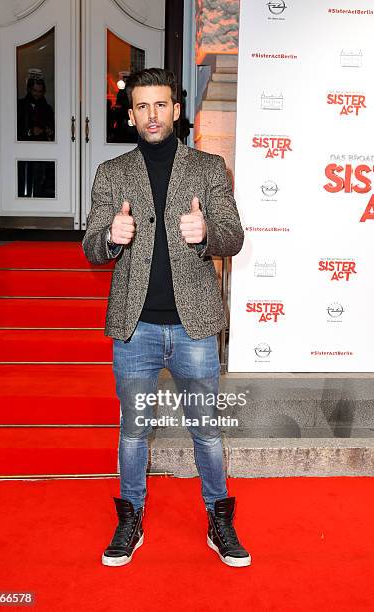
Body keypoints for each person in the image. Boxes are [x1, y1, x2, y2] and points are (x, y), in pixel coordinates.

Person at [82, 68, 250, 568]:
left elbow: (234, 237)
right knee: (133, 430)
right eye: (141, 107)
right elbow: (91, 247)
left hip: (194, 327)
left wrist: (207, 234)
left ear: (176, 110)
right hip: (135, 329)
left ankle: (219, 519)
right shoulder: (112, 173)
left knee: (207, 430)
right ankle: (129, 517)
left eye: (161, 106)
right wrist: (112, 235)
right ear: (130, 114)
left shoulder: (208, 166)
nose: (151, 116)